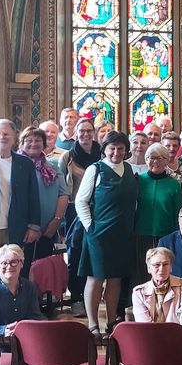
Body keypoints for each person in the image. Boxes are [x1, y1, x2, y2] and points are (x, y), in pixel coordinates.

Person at [77, 131, 138, 334]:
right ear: (104, 150)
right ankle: (93, 324)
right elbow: (81, 200)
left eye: (121, 148)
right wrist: (90, 227)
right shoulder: (95, 170)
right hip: (99, 235)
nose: (116, 152)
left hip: (123, 234)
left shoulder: (129, 170)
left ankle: (112, 321)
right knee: (95, 278)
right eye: (112, 148)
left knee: (115, 278)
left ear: (126, 150)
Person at [0, 120, 41, 279]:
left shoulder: (25, 163)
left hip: (17, 228)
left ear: (14, 137)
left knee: (14, 274)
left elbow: (33, 196)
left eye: (6, 133)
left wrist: (33, 226)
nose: (2, 137)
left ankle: (13, 304)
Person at [58, 117, 100, 311]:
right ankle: (76, 296)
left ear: (94, 132)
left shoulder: (102, 153)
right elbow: (62, 188)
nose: (85, 134)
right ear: (75, 133)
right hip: (74, 209)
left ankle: (92, 294)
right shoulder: (68, 157)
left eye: (89, 131)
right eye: (81, 131)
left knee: (93, 252)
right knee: (75, 253)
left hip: (98, 209)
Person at [16, 127, 68, 277]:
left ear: (44, 144)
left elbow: (63, 193)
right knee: (22, 270)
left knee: (41, 271)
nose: (33, 143)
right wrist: (31, 226)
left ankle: (37, 300)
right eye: (28, 140)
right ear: (21, 144)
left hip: (49, 229)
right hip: (24, 229)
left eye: (38, 140)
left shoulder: (52, 165)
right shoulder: (16, 166)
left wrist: (55, 221)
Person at [134, 143, 182, 285]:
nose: (154, 161)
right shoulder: (138, 180)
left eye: (159, 158)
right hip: (141, 232)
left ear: (167, 160)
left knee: (163, 270)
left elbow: (177, 212)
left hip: (165, 234)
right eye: (151, 158)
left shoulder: (173, 184)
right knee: (143, 271)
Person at [131, 247, 182, 335]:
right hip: (150, 338)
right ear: (148, 268)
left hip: (176, 337)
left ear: (171, 267)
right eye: (156, 265)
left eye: (166, 264)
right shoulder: (139, 293)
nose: (161, 269)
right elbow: (144, 326)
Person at [0, 245, 44, 335]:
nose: (9, 266)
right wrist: (4, 330)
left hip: (27, 338)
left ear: (22, 263)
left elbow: (35, 316)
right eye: (4, 263)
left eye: (14, 262)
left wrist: (22, 328)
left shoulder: (29, 287)